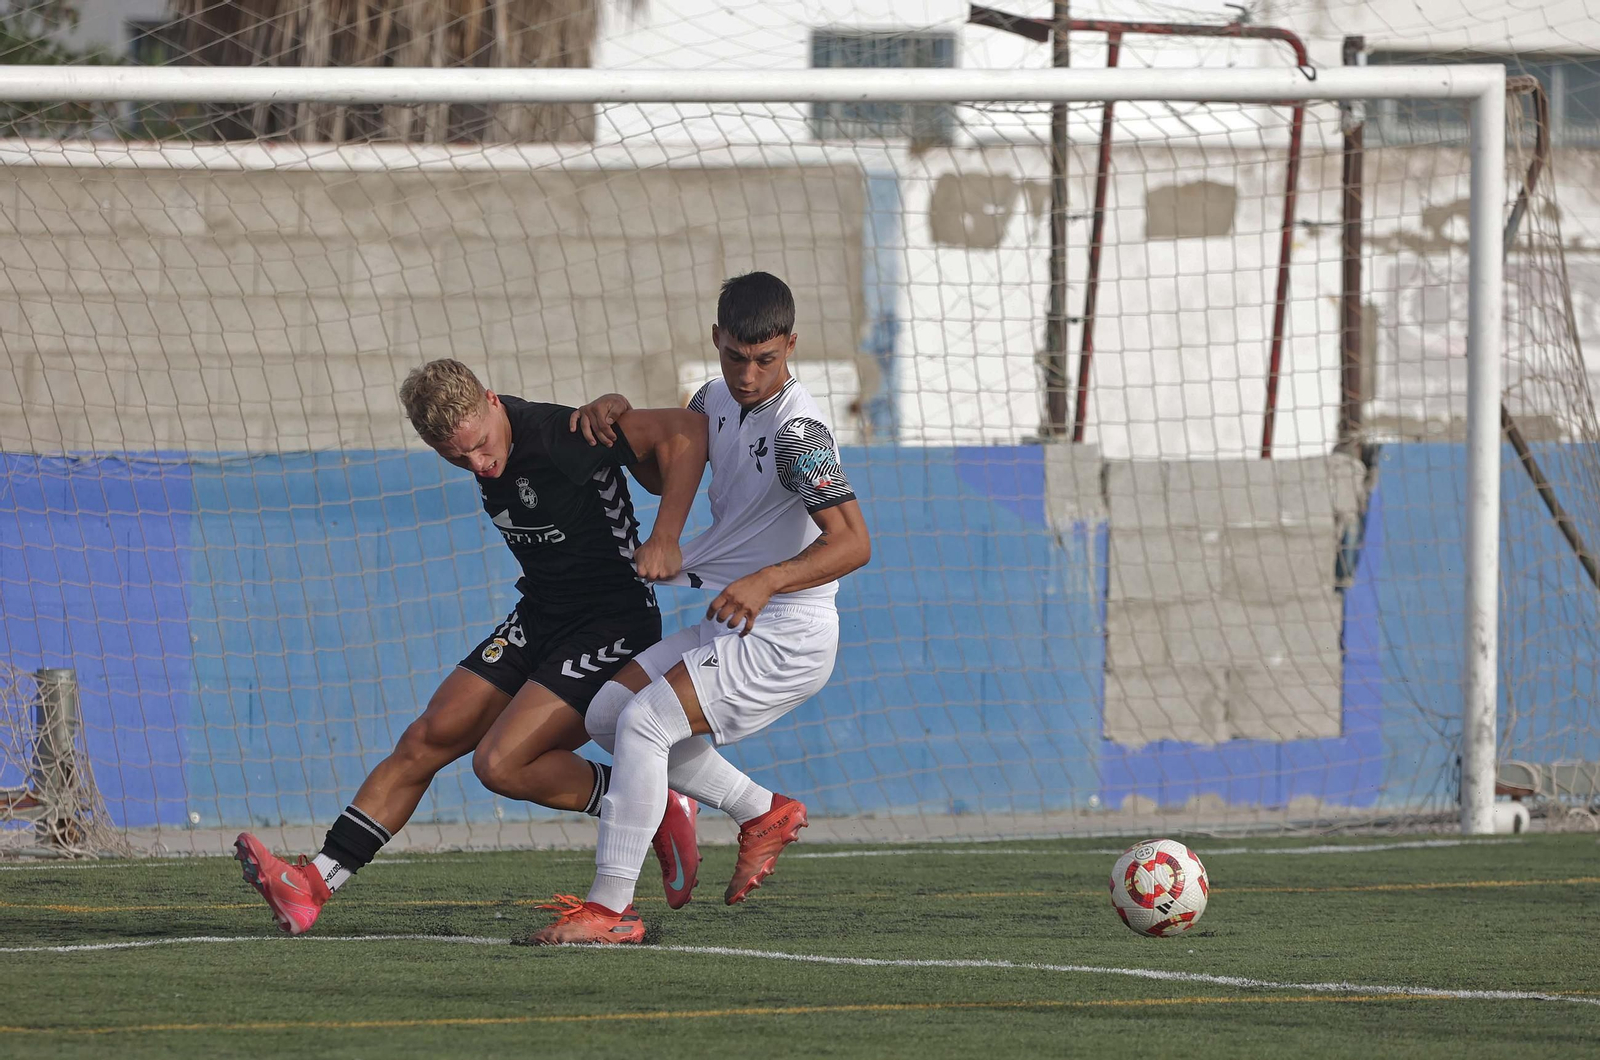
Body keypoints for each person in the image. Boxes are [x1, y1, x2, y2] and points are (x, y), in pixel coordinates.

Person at [233, 358, 707, 934]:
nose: (478, 465)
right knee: (427, 736)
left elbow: (688, 433)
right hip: (540, 615)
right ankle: (312, 885)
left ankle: (646, 802)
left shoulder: (563, 434)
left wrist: (665, 536)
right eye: (457, 457)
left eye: (481, 446)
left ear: (491, 400)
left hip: (612, 623)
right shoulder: (481, 445)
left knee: (500, 764)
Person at [525, 271, 871, 945]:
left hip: (785, 634)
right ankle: (761, 812)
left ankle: (610, 909)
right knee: (607, 714)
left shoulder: (801, 432)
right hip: (733, 617)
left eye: (766, 360)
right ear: (716, 341)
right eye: (736, 357)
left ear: (790, 346)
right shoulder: (712, 397)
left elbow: (854, 543)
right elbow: (665, 467)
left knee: (646, 725)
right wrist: (619, 425)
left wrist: (770, 579)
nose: (748, 374)